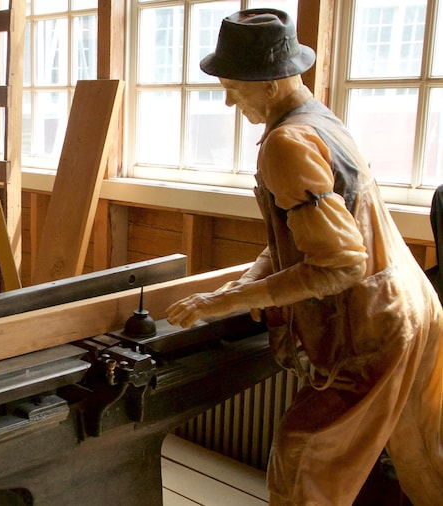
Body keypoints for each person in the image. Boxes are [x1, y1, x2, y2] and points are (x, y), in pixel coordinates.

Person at [165, 9, 443, 506]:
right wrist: (247, 282)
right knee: (423, 457)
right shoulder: (320, 119)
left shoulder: (286, 143)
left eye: (233, 88)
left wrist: (219, 303)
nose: (229, 101)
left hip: (372, 327)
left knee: (304, 464)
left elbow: (342, 263)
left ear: (270, 84)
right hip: (414, 307)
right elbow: (303, 236)